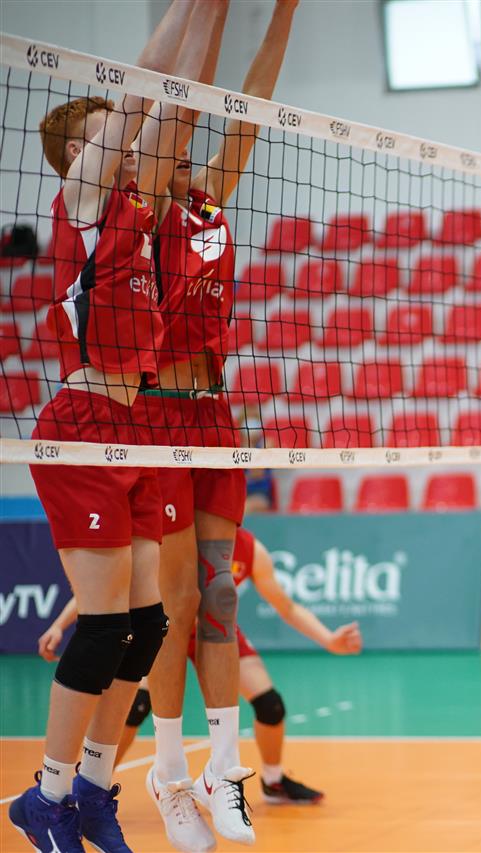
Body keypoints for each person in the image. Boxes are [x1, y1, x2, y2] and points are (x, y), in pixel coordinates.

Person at [9, 5, 228, 852]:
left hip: (136, 430)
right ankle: (46, 796)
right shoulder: (84, 199)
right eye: (114, 135)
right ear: (81, 152)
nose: (133, 145)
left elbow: (181, 101)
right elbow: (141, 93)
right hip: (84, 424)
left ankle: (94, 791)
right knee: (104, 628)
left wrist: (211, 11)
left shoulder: (137, 204)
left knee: (148, 626)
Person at [141, 4, 297, 849]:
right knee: (175, 603)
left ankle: (222, 768)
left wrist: (284, 14)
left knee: (220, 594)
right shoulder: (134, 206)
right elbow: (184, 95)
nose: (184, 141)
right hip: (157, 419)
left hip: (214, 415)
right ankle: (169, 770)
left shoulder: (207, 201)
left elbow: (251, 105)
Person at [37, 526, 363, 806]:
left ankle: (274, 781)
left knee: (271, 705)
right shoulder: (173, 539)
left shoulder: (250, 548)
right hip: (167, 632)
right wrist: (59, 625)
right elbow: (109, 584)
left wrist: (329, 639)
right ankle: (92, 788)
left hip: (216, 634)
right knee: (136, 707)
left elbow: (287, 607)